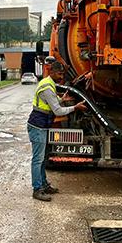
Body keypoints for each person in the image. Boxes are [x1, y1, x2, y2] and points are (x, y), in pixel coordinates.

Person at [27, 62, 88, 201]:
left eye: (62, 74)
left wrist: (61, 99)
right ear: (51, 72)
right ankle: (37, 190)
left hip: (42, 125)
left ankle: (43, 185)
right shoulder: (48, 87)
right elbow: (58, 111)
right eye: (59, 74)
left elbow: (50, 101)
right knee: (38, 160)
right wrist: (75, 107)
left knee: (42, 159)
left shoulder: (49, 83)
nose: (61, 77)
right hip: (37, 126)